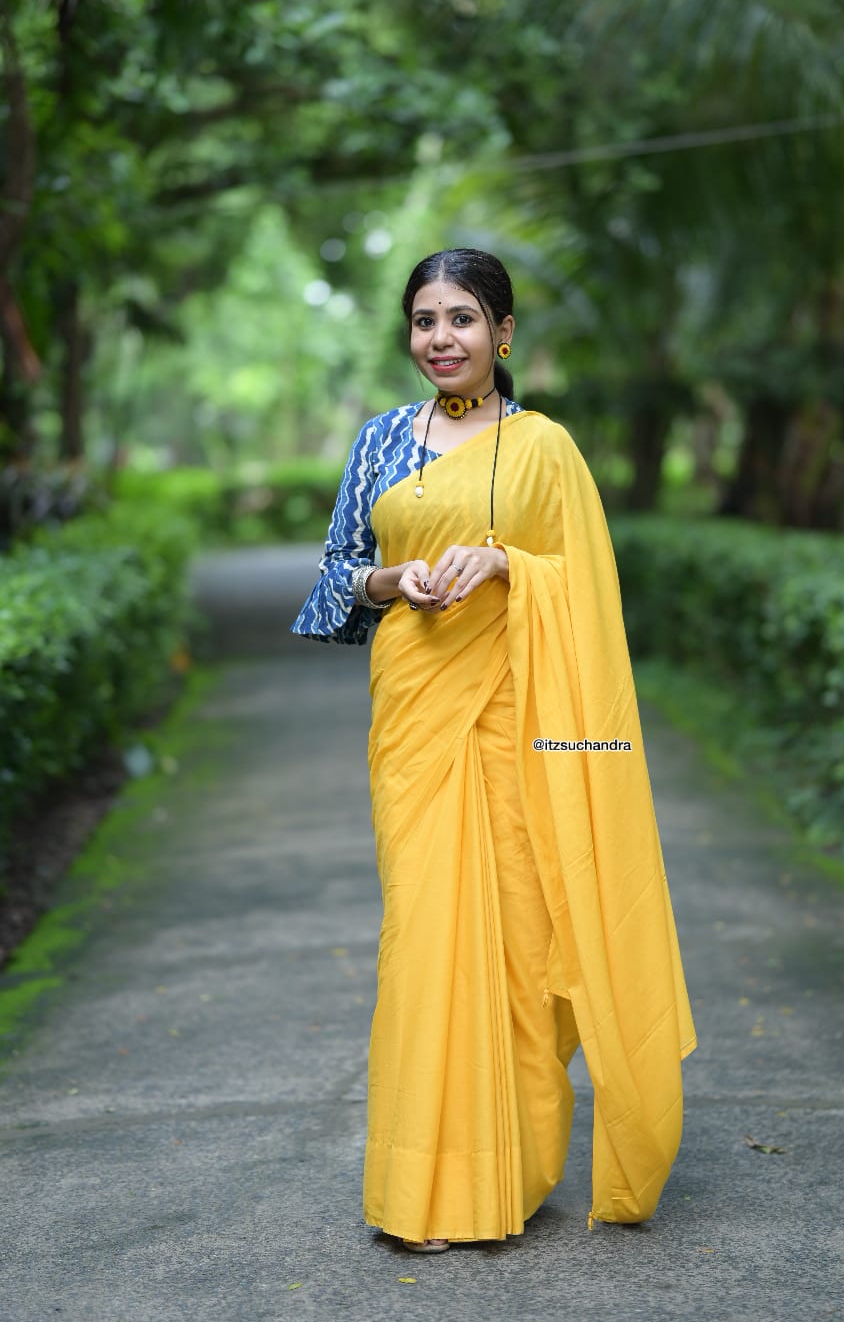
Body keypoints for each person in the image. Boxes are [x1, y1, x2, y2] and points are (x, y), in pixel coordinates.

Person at [291, 248, 696, 1254]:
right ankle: (425, 1189)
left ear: (503, 334)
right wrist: (400, 583)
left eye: (463, 319)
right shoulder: (380, 441)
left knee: (519, 945)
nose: (443, 339)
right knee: (425, 935)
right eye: (425, 321)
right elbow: (341, 573)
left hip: (522, 724)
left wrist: (508, 563)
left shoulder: (545, 449)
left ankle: (506, 1174)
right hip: (418, 714)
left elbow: (588, 584)